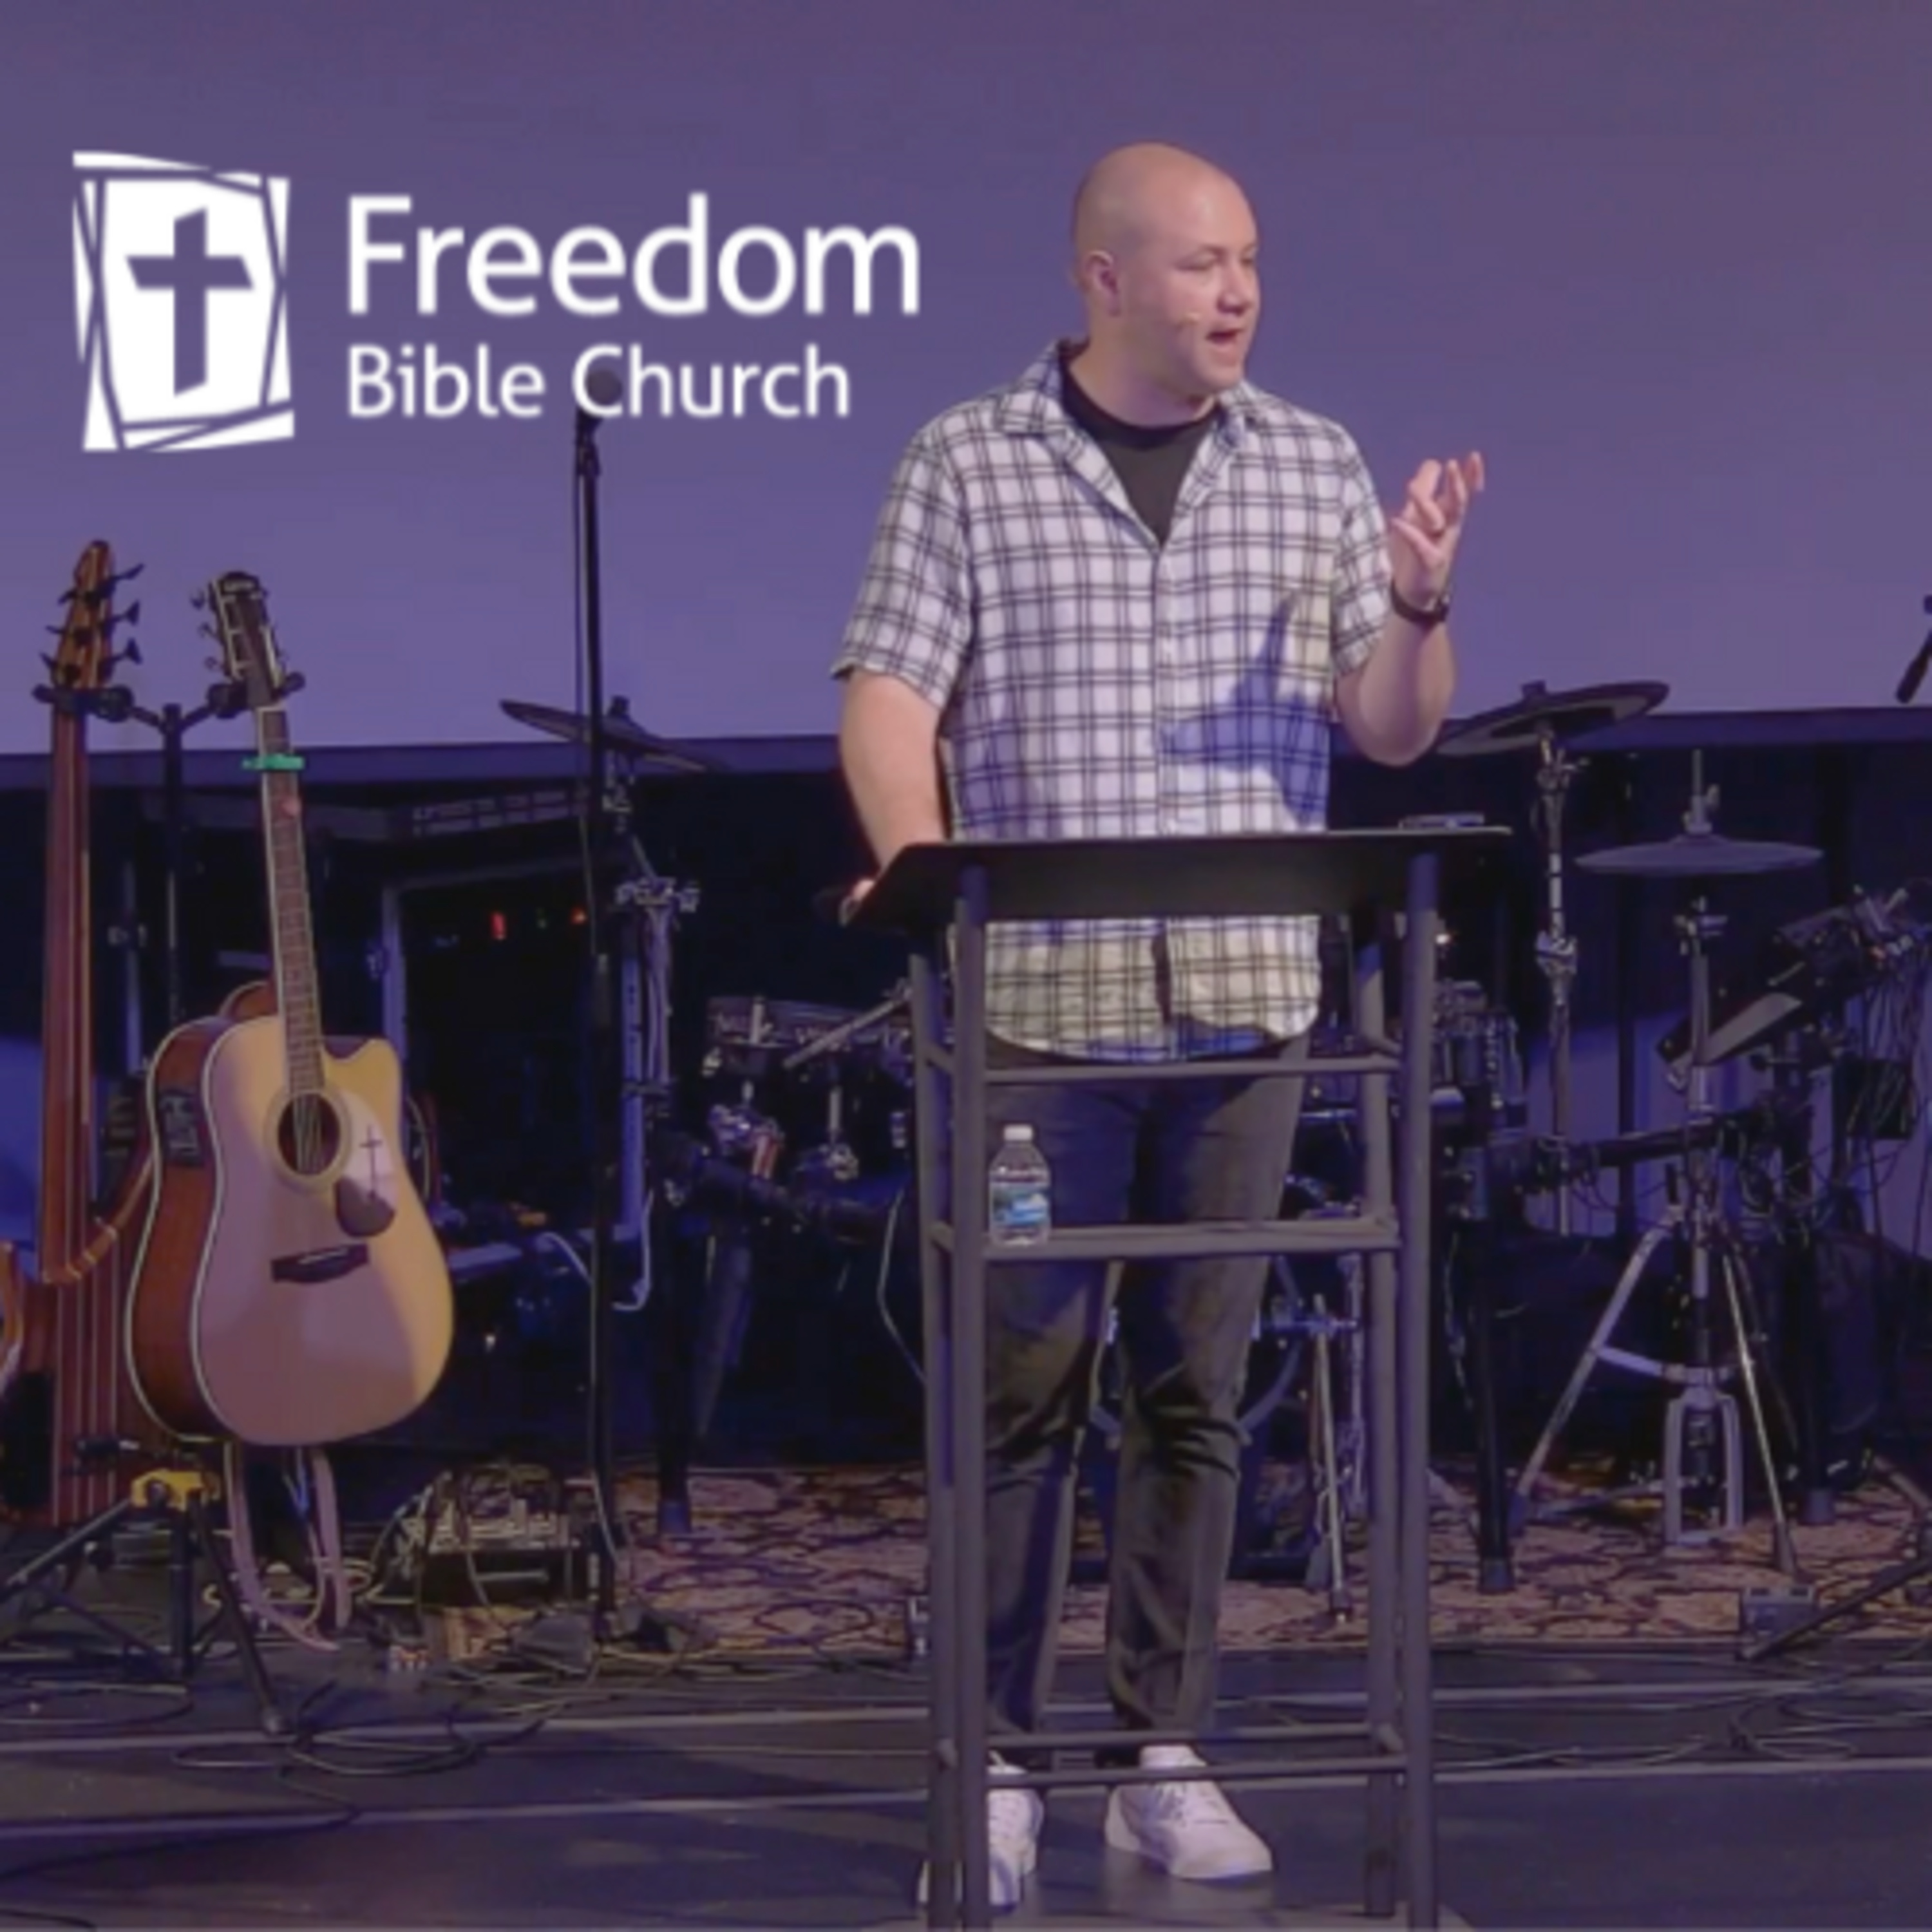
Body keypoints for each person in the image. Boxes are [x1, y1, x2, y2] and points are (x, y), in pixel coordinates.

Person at [831, 140, 1482, 1908]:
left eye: (1251, 259)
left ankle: (1158, 1757)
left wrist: (1419, 599)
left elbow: (1392, 727)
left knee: (1196, 1396)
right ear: (1105, 279)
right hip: (1043, 1029)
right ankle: (996, 1763)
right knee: (1021, 1400)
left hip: (1243, 1023)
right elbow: (889, 694)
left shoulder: (1311, 462)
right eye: (1204, 263)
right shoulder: (968, 459)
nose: (1240, 292)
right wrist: (922, 875)